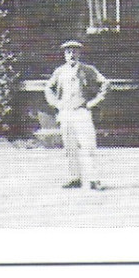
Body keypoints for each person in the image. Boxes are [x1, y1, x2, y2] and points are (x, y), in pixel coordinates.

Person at [43, 40, 110, 190]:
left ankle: (94, 179)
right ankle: (74, 177)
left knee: (88, 146)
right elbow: (48, 88)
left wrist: (93, 103)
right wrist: (56, 103)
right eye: (68, 52)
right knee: (69, 147)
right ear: (64, 54)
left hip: (81, 112)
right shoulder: (59, 71)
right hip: (65, 113)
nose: (71, 55)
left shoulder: (88, 70)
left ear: (79, 53)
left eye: (74, 51)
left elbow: (105, 84)